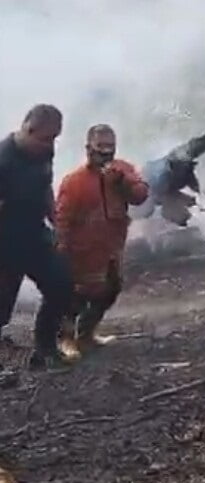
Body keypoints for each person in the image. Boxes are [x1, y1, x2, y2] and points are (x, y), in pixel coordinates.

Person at [55, 124, 149, 355]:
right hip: (82, 250)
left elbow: (140, 196)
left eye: (110, 147)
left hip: (111, 248)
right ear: (88, 148)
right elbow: (62, 219)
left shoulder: (124, 170)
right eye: (101, 147)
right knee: (75, 297)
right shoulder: (74, 181)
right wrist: (61, 249)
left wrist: (124, 182)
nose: (106, 152)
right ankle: (66, 339)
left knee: (110, 290)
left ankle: (87, 334)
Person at [0, 105, 73, 368]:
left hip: (34, 235)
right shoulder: (4, 160)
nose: (51, 145)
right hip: (5, 242)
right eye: (46, 138)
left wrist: (56, 221)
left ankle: (45, 349)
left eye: (55, 138)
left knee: (61, 283)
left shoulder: (44, 152)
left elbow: (44, 186)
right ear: (28, 129)